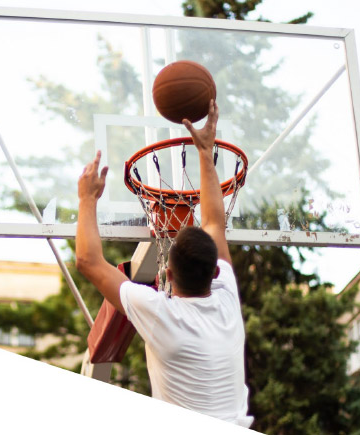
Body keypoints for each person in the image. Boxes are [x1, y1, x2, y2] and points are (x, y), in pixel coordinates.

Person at [76, 100, 253, 428]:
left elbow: (87, 260)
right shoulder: (227, 298)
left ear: (167, 275)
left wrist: (87, 199)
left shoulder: (162, 314)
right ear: (215, 271)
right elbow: (214, 221)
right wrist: (205, 151)